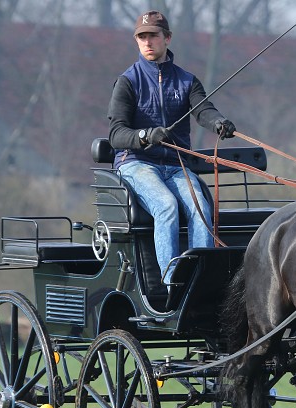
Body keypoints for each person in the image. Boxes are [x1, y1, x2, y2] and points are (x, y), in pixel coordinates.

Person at [108, 10, 236, 285]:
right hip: (137, 163)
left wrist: (219, 123)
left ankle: (202, 282)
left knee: (201, 209)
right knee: (166, 206)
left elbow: (204, 111)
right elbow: (116, 134)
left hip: (176, 165)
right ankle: (173, 284)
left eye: (152, 36)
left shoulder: (187, 81)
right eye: (141, 37)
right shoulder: (127, 82)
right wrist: (145, 136)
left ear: (167, 38)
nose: (147, 42)